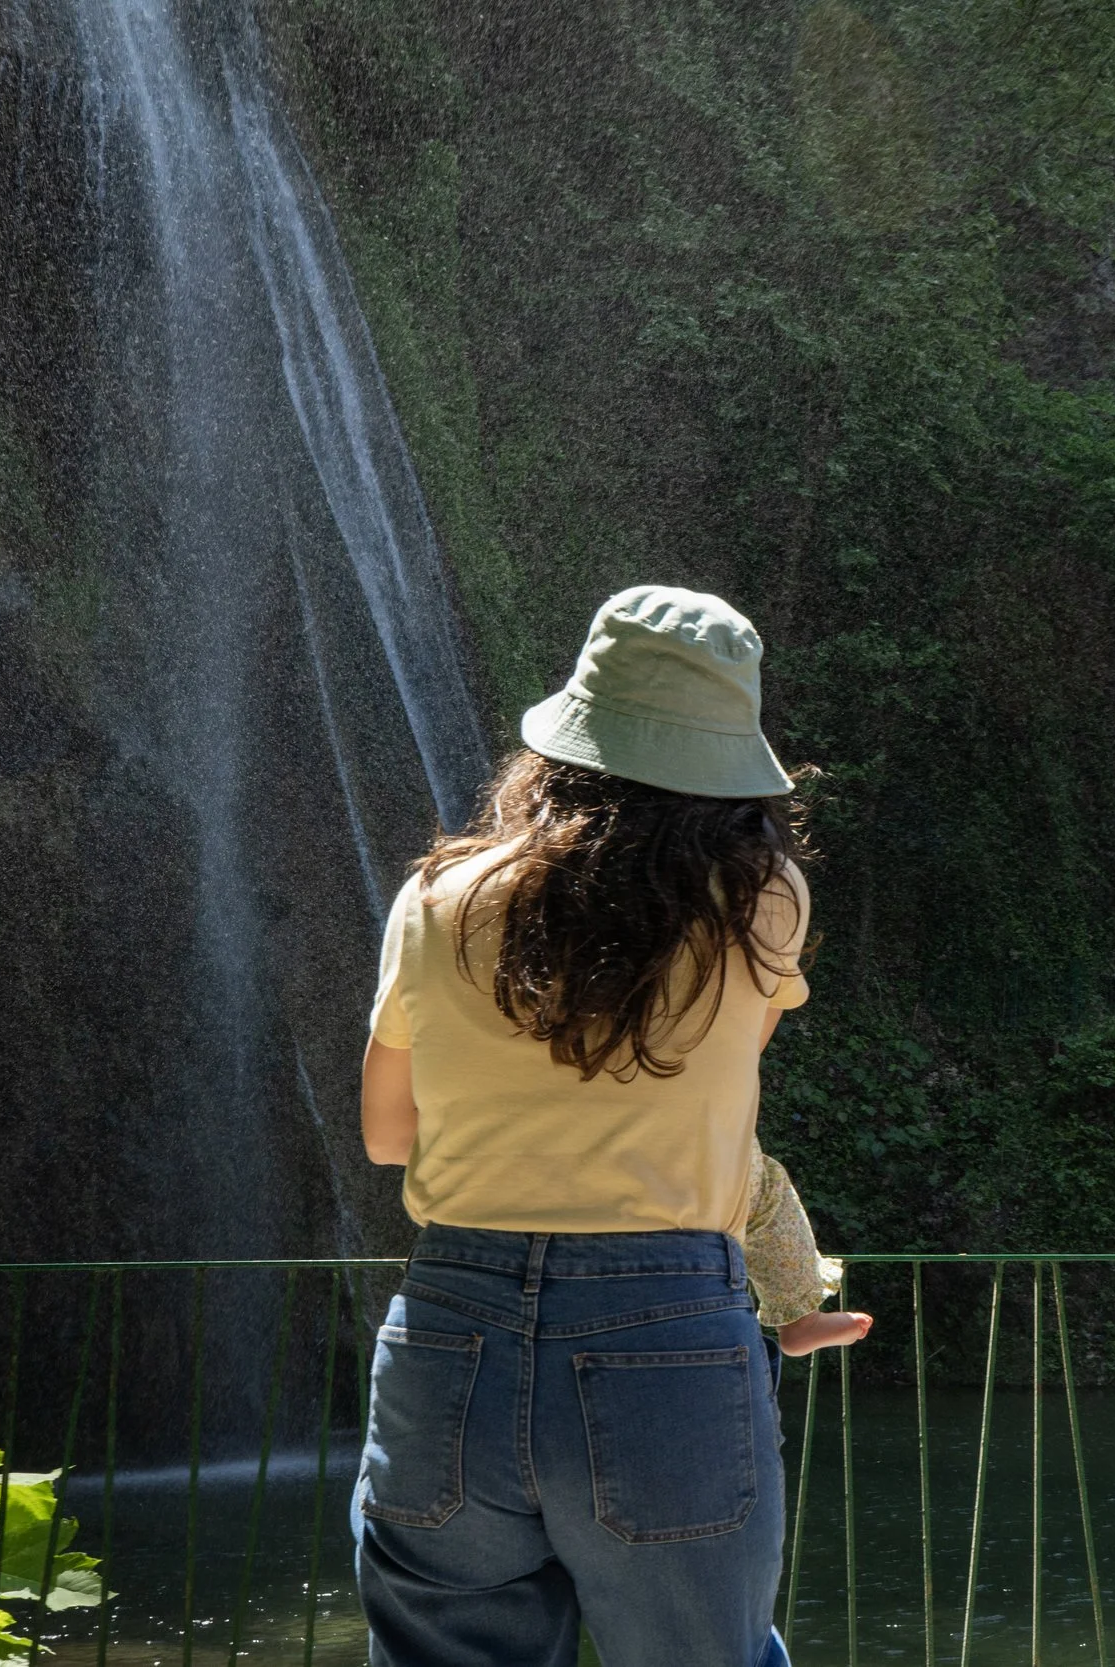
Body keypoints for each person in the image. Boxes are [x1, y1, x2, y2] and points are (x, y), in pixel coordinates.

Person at [354, 587, 869, 1667]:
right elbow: (723, 1114)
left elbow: (387, 1134)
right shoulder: (761, 901)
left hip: (451, 1332)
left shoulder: (436, 900)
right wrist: (790, 1283)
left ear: (566, 735)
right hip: (666, 1336)